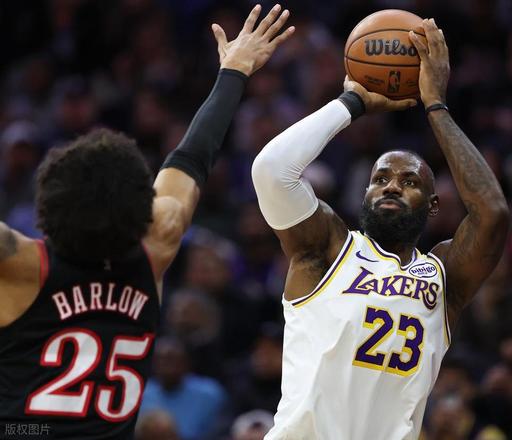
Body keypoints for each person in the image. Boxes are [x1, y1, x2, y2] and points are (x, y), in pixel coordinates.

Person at [0, 5, 293, 439]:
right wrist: (234, 71)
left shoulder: (22, 265)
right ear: (139, 207)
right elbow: (192, 157)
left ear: (49, 204)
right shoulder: (155, 247)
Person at [252, 18, 509, 440]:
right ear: (365, 192)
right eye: (380, 178)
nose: (391, 185)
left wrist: (436, 106)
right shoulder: (328, 250)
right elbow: (271, 171)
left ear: (433, 205)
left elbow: (492, 214)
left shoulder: (444, 275)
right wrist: (351, 102)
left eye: (410, 182)